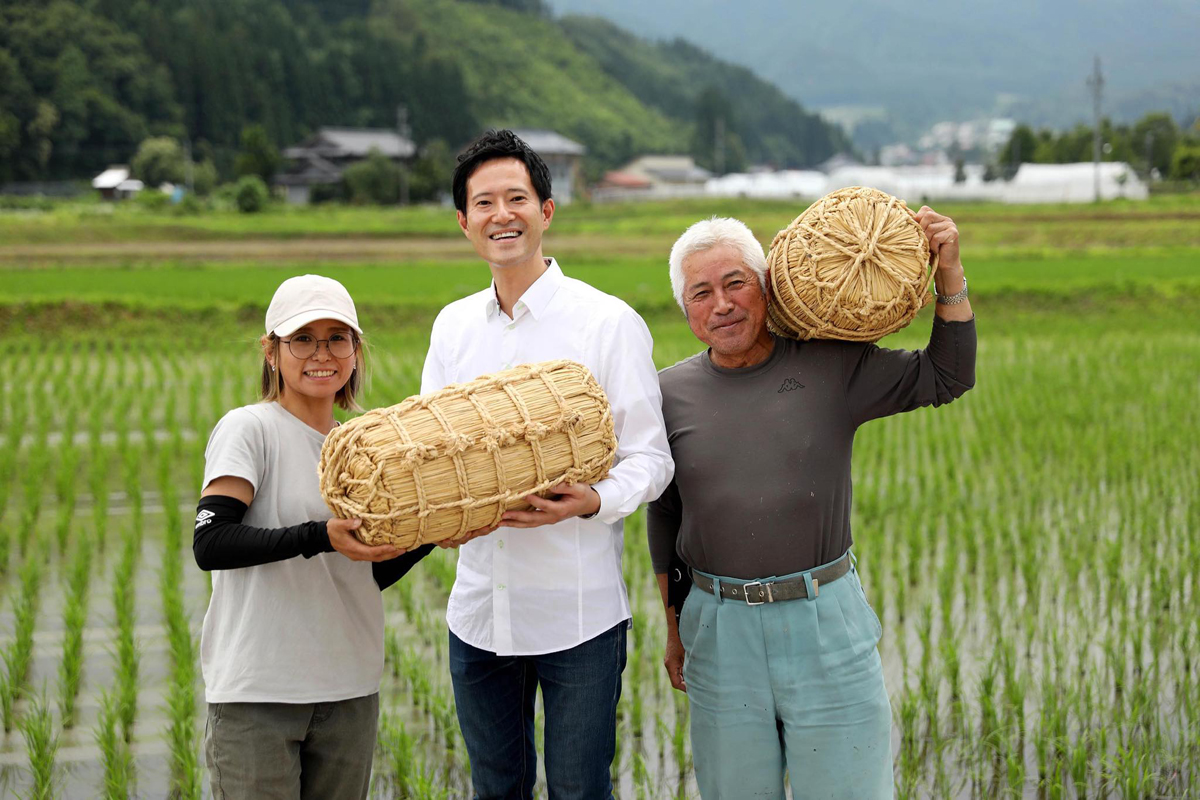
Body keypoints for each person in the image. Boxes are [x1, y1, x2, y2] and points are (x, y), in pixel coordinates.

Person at [648, 213, 976, 799]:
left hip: (824, 621)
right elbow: (664, 513)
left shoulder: (831, 364)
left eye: (735, 283)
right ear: (685, 309)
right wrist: (674, 630)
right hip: (719, 631)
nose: (722, 304)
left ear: (767, 285)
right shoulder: (667, 394)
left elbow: (947, 376)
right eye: (701, 293)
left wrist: (948, 273)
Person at [421, 129, 674, 800]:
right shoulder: (452, 328)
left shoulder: (606, 322)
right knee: (494, 788)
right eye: (484, 203)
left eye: (517, 198)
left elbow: (651, 458)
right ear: (463, 221)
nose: (501, 215)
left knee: (579, 790)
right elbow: (436, 457)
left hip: (578, 617)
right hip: (479, 614)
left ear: (546, 210)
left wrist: (593, 500)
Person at [194, 274, 431, 800]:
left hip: (349, 690)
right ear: (271, 351)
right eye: (302, 339)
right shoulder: (250, 429)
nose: (321, 354)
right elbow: (211, 544)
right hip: (259, 694)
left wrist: (434, 533)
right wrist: (320, 535)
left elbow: (365, 571)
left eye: (336, 338)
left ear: (356, 350)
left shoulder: (364, 448)